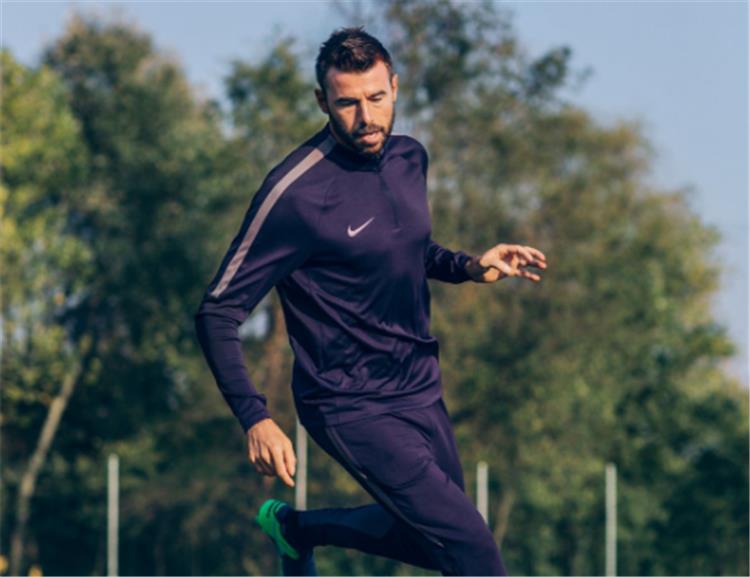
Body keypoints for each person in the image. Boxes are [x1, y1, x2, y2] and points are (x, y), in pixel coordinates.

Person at [195, 27, 546, 577]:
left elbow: (405, 249)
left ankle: (298, 530)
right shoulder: (295, 195)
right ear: (322, 102)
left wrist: (470, 266)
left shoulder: (409, 159)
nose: (366, 117)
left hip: (419, 385)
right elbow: (217, 310)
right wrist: (255, 417)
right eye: (348, 103)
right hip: (348, 401)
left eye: (377, 98)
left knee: (434, 545)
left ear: (395, 87)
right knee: (476, 551)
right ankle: (298, 531)